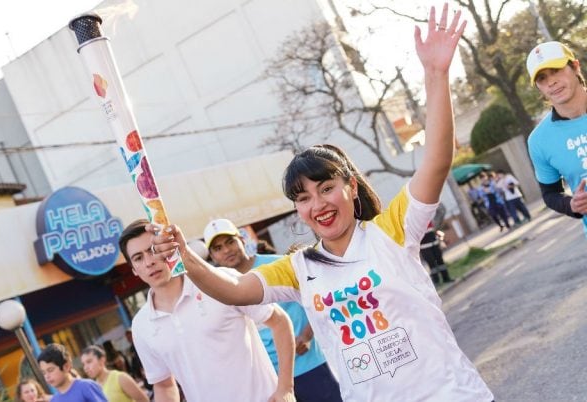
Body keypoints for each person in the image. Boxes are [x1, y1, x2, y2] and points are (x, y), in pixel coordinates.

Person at [148, 5, 493, 401]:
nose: (318, 205)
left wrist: (435, 75)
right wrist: (183, 256)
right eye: (303, 198)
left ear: (349, 185)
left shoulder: (390, 231)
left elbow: (436, 160)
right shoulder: (300, 267)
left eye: (326, 188)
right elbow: (236, 291)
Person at [119, 219, 297, 402]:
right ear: (133, 269)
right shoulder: (141, 326)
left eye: (153, 250)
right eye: (138, 258)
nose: (149, 262)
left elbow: (279, 321)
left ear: (168, 249)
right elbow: (164, 385)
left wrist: (285, 388)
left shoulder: (221, 282)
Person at [203, 218, 342, 402]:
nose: (227, 250)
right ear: (212, 257)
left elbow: (319, 300)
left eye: (230, 242)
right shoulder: (218, 289)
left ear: (242, 240)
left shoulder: (279, 265)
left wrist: (307, 335)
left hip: (308, 365)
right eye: (218, 248)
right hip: (269, 379)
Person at [526, 40, 587, 236]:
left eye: (556, 70)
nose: (551, 82)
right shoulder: (539, 140)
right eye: (542, 78)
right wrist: (572, 204)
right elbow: (550, 194)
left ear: (575, 67)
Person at [37, 343, 108, 402]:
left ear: (66, 366)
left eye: (50, 370)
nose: (47, 376)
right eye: (43, 373)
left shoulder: (86, 386)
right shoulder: (54, 400)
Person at [80, 345, 150, 402]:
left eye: (89, 362)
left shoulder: (120, 378)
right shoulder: (92, 387)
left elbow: (144, 400)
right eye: (83, 364)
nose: (86, 367)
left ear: (102, 360)